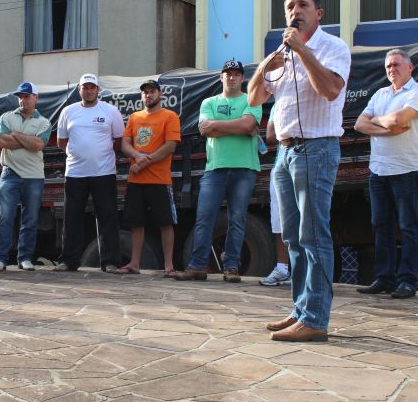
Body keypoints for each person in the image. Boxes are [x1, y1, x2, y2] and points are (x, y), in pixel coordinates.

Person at [248, 0, 351, 342]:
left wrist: (303, 50)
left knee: (313, 234)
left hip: (316, 149)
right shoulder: (280, 53)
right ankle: (300, 310)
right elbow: (254, 98)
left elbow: (330, 90)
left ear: (318, 13)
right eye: (290, 6)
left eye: (303, 5)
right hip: (285, 152)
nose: (295, 11)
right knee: (292, 237)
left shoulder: (333, 48)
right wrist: (265, 66)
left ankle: (316, 319)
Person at [355, 49, 418, 299]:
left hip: (406, 168)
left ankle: (407, 282)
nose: (391, 69)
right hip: (378, 170)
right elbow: (359, 124)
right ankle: (384, 278)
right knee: (381, 225)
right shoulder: (380, 94)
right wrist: (386, 128)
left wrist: (378, 121)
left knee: (408, 226)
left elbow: (399, 118)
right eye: (388, 66)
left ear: (410, 67)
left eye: (396, 64)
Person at [176, 59, 261, 283]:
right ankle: (197, 267)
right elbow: (206, 130)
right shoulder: (208, 102)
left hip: (244, 168)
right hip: (214, 169)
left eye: (236, 74)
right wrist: (239, 126)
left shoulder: (252, 99)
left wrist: (217, 125)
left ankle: (231, 267)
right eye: (227, 73)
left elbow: (247, 125)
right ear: (220, 77)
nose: (231, 77)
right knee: (204, 218)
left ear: (243, 78)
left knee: (237, 219)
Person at [54, 74, 125, 272]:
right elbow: (61, 141)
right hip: (75, 173)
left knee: (107, 217)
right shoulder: (68, 111)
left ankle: (110, 262)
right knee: (72, 217)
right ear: (79, 90)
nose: (89, 91)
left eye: (92, 87)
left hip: (104, 172)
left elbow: (119, 140)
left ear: (98, 90)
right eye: (85, 87)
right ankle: (68, 261)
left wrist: (99, 154)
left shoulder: (110, 111)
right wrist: (78, 154)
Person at [116, 79, 180, 276]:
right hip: (136, 181)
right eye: (145, 92)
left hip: (160, 180)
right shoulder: (134, 117)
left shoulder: (170, 116)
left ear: (160, 94)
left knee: (165, 223)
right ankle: (134, 264)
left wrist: (144, 161)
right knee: (136, 223)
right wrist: (137, 156)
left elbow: (170, 146)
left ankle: (169, 266)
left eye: (152, 91)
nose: (148, 95)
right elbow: (125, 143)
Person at [0, 82, 52, 272]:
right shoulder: (6, 116)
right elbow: (1, 141)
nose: (23, 100)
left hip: (34, 176)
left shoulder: (44, 122)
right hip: (10, 173)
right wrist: (28, 139)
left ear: (36, 98)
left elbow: (38, 145)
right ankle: (0, 259)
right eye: (20, 97)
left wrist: (15, 134)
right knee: (4, 217)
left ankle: (24, 258)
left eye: (26, 96)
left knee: (30, 219)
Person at [259, 104, 292, 286]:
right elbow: (271, 135)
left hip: (306, 163)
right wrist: (292, 134)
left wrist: (287, 133)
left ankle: (304, 271)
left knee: (305, 220)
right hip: (281, 166)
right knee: (279, 220)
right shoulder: (278, 105)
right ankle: (282, 269)